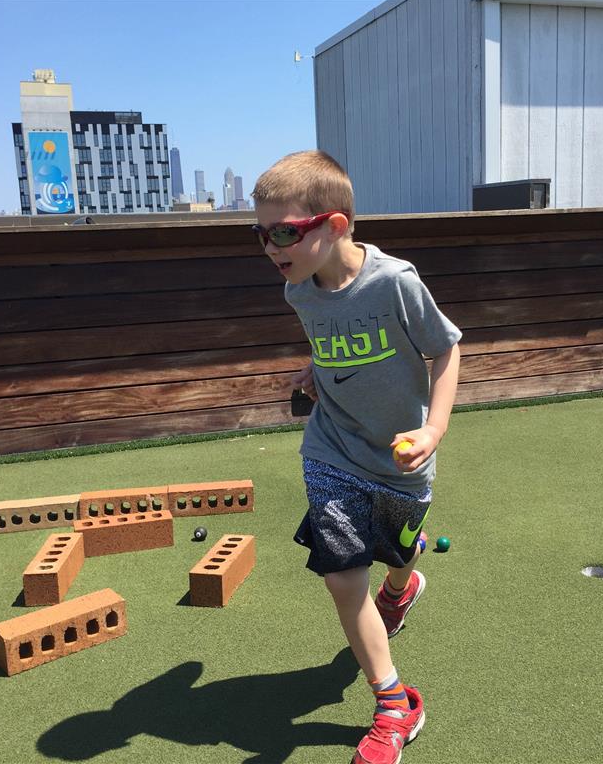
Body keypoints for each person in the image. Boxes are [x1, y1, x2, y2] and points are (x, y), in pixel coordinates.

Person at [251, 150, 462, 764]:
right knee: (344, 578)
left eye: (283, 232)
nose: (269, 247)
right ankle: (395, 703)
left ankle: (403, 585)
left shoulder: (395, 283)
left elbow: (446, 350)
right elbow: (331, 341)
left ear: (335, 225)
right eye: (259, 234)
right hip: (331, 450)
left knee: (397, 553)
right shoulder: (299, 290)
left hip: (400, 459)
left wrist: (434, 429)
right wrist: (315, 369)